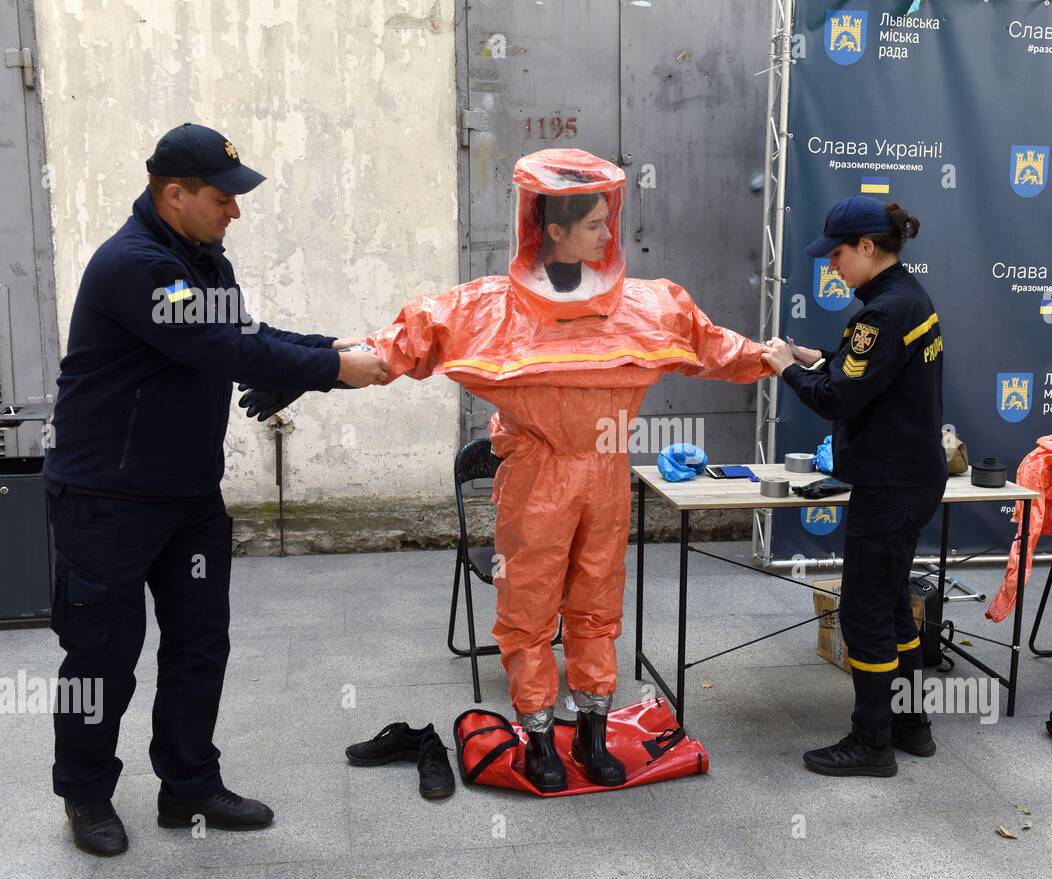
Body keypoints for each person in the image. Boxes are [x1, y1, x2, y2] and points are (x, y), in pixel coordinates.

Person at [240, 148, 772, 792]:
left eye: (609, 221)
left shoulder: (646, 305)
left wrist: (776, 358)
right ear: (553, 228)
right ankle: (540, 737)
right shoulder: (490, 310)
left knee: (598, 606)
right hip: (538, 479)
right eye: (595, 223)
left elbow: (713, 345)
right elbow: (399, 346)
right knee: (528, 610)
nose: (609, 235)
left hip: (603, 474)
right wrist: (310, 372)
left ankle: (594, 736)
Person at [42, 123, 388, 856]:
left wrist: (323, 350)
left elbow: (243, 331)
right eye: (223, 197)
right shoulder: (136, 266)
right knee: (101, 654)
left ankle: (190, 786)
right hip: (107, 498)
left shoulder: (202, 258)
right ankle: (84, 793)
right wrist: (332, 372)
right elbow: (222, 346)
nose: (236, 210)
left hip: (188, 495)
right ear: (174, 194)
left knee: (200, 643)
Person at [761, 195, 945, 777]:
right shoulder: (905, 298)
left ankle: (871, 745)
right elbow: (867, 374)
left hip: (888, 486)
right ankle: (911, 725)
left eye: (837, 254)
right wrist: (818, 357)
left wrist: (784, 369)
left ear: (868, 248)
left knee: (864, 615)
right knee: (893, 608)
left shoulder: (883, 313)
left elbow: (840, 396)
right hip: (912, 479)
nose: (832, 266)